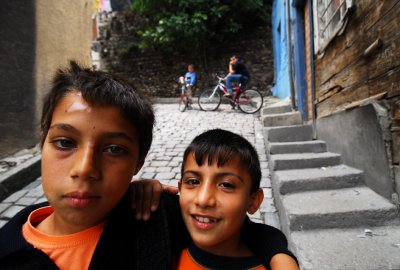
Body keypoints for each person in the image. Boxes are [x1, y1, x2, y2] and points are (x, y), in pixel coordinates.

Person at [0, 61, 293, 269]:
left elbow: (239, 226)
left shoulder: (156, 219)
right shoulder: (7, 247)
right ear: (43, 144)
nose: (84, 168)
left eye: (114, 149)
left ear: (138, 162)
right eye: (65, 142)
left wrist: (279, 255)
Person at [175, 129, 299, 269]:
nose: (203, 200)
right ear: (180, 188)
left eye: (226, 185)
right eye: (192, 181)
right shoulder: (164, 247)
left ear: (253, 201)